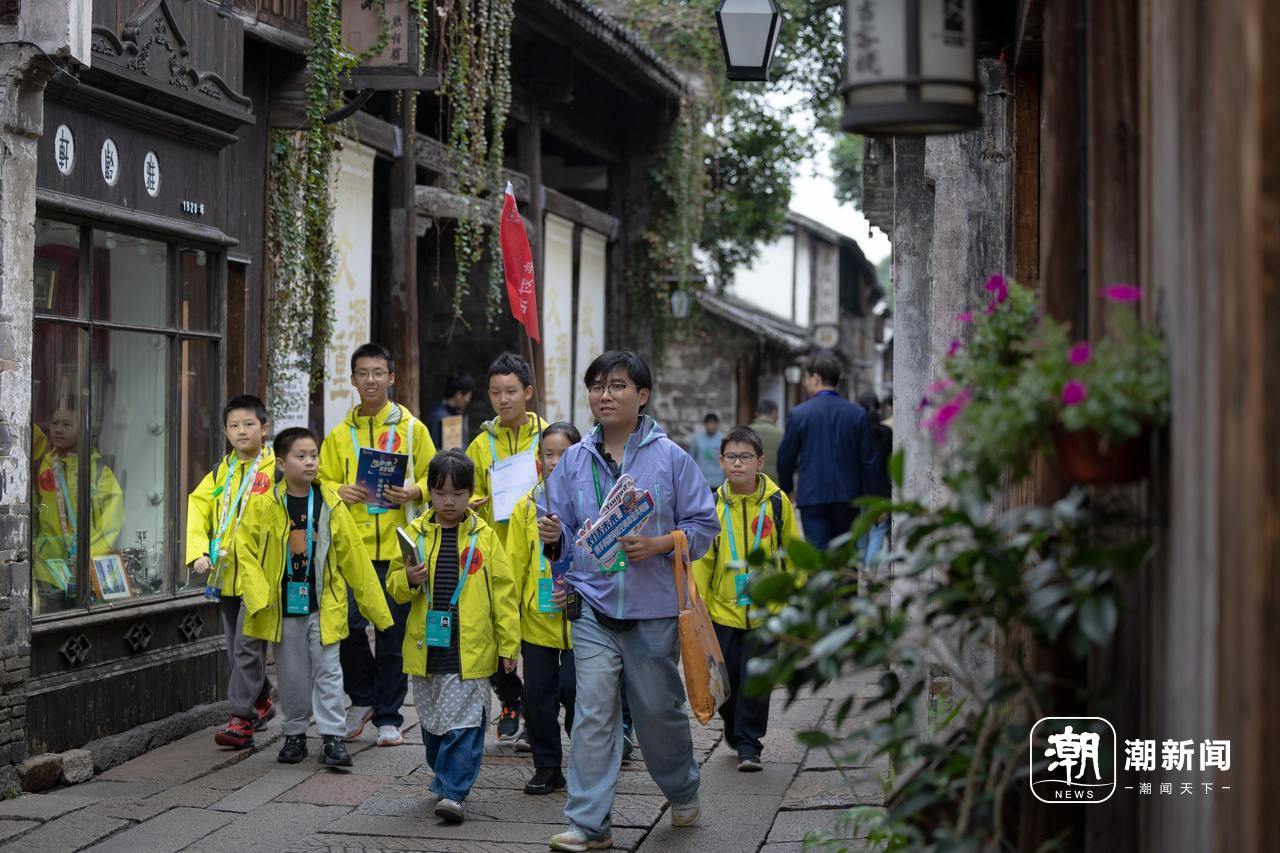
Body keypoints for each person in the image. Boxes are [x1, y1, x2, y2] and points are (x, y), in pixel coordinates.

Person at [537, 350, 719, 853]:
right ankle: (589, 824)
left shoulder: (672, 458)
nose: (605, 395)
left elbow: (704, 527)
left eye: (618, 386)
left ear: (642, 396)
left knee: (658, 711)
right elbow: (561, 533)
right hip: (594, 604)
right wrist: (552, 535)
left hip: (654, 608)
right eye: (597, 386)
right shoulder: (573, 460)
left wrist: (659, 544)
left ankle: (682, 788)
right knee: (592, 712)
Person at [237, 427, 395, 768]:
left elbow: (355, 558)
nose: (310, 463)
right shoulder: (264, 504)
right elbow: (244, 550)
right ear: (281, 463)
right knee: (291, 674)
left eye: (313, 455)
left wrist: (379, 614)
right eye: (301, 456)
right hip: (283, 607)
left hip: (325, 606)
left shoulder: (331, 502)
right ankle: (294, 734)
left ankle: (332, 737)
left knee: (329, 672)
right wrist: (258, 595)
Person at [387, 450, 520, 823]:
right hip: (427, 648)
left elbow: (504, 594)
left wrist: (509, 644)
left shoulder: (485, 537)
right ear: (428, 491)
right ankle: (443, 775)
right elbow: (395, 585)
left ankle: (453, 792)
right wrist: (408, 580)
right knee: (432, 725)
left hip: (470, 649)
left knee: (463, 723)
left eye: (458, 494)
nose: (449, 502)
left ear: (470, 494)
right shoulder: (414, 534)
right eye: (441, 492)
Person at [318, 342, 437, 748]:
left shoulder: (411, 429)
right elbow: (323, 481)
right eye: (362, 373)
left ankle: (389, 714)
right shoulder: (339, 435)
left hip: (397, 547)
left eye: (377, 372)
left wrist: (414, 491)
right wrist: (340, 489)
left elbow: (433, 478)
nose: (370, 380)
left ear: (391, 377)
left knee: (391, 633)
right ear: (352, 380)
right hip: (352, 549)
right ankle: (363, 697)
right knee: (348, 626)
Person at [692, 426, 800, 772]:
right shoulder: (711, 505)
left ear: (760, 461)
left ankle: (750, 745)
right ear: (721, 462)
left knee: (758, 679)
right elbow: (703, 560)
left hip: (768, 611)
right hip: (723, 612)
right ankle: (731, 720)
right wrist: (700, 608)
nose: (738, 464)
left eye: (745, 457)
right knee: (729, 682)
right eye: (731, 457)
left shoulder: (778, 503)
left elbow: (793, 553)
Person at [186, 394, 279, 749]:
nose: (241, 432)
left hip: (259, 575)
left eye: (249, 425)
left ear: (264, 428)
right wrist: (197, 552)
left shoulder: (275, 470)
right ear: (225, 431)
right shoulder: (220, 471)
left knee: (246, 646)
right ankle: (262, 699)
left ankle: (241, 716)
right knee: (237, 646)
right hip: (224, 573)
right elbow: (198, 504)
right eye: (234, 426)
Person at [465, 352, 548, 743]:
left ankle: (537, 712)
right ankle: (510, 700)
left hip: (539, 554)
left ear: (528, 392)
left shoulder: (550, 438)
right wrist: (473, 501)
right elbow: (464, 490)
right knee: (496, 633)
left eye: (511, 391)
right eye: (496, 392)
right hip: (494, 552)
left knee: (535, 636)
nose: (504, 399)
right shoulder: (481, 444)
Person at [505, 422, 581, 795]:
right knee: (537, 697)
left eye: (563, 454)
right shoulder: (525, 509)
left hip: (580, 621)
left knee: (576, 690)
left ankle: (586, 762)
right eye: (547, 454)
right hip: (537, 621)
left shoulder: (590, 504)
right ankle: (547, 765)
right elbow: (511, 570)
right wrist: (508, 629)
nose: (554, 462)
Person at [776, 352, 879, 551]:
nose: (805, 384)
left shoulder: (799, 414)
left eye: (806, 379)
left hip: (812, 495)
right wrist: (873, 498)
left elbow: (785, 457)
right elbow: (868, 461)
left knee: (817, 556)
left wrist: (788, 489)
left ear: (816, 379)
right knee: (846, 554)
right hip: (849, 497)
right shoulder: (857, 414)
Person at [33, 406, 123, 592]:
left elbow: (111, 521)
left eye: (67, 424)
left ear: (82, 428)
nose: (58, 429)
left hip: (84, 565)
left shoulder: (97, 470)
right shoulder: (43, 462)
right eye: (54, 423)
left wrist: (89, 554)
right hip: (46, 568)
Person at [857, 391, 894, 563]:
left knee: (861, 532)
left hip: (858, 491)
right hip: (881, 491)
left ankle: (860, 566)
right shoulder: (887, 433)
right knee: (878, 531)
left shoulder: (856, 434)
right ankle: (869, 571)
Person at [426, 372, 474, 450]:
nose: (468, 400)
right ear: (458, 395)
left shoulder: (457, 413)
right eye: (467, 396)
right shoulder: (438, 417)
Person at [748, 400, 785, 483]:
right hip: (774, 484)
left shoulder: (744, 433)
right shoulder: (782, 434)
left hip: (750, 484)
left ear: (756, 414)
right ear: (774, 413)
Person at [690, 412, 725, 491]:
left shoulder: (723, 439)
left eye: (713, 423)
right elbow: (691, 458)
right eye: (709, 423)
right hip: (701, 480)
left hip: (718, 480)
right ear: (705, 424)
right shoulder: (697, 438)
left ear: (717, 424)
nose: (711, 426)